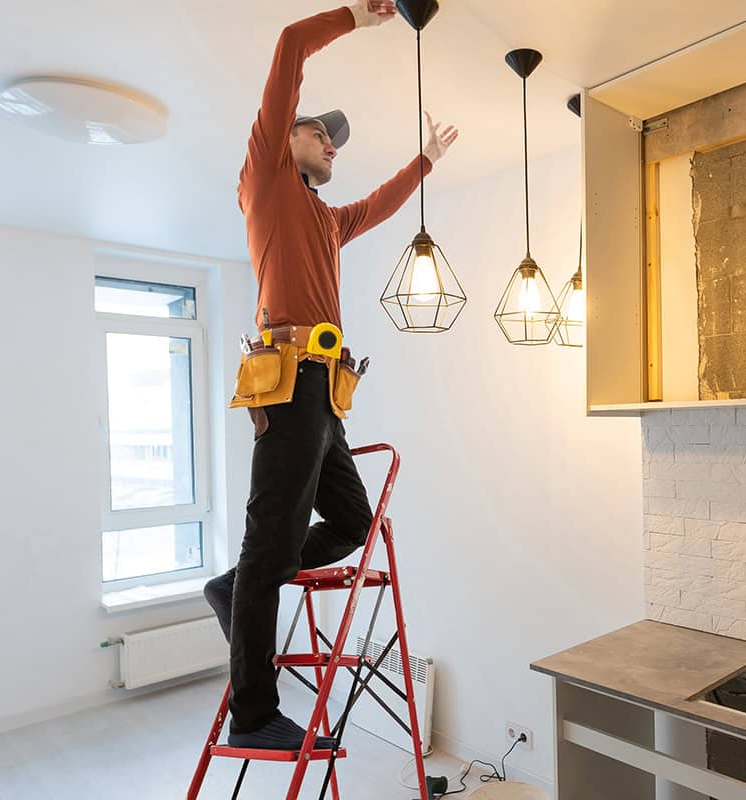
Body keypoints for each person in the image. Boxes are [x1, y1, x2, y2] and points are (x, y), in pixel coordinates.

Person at [204, 0, 459, 752]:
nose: (332, 146)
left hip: (326, 394)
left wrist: (425, 162)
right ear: (285, 137)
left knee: (351, 523)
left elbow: (377, 206)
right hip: (286, 386)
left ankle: (239, 585)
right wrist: (357, 15)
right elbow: (289, 44)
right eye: (321, 134)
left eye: (334, 142)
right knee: (269, 550)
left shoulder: (325, 219)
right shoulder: (266, 181)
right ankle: (255, 714)